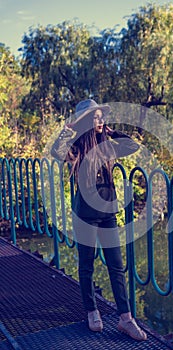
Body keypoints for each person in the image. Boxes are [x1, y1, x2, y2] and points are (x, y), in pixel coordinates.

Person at [51, 99, 147, 341]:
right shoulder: (77, 149)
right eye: (96, 117)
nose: (101, 120)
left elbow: (133, 146)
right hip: (85, 215)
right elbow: (56, 151)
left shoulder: (107, 146)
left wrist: (112, 131)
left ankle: (126, 319)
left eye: (101, 116)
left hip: (107, 215)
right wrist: (68, 131)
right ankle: (92, 311)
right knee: (87, 266)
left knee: (116, 265)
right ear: (86, 121)